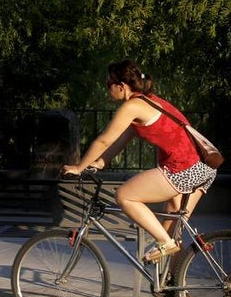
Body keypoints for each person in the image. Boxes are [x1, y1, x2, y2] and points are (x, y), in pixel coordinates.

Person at [61, 59, 217, 263]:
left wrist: (79, 167)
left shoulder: (132, 106)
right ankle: (176, 282)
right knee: (172, 230)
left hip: (184, 169)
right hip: (203, 167)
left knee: (124, 195)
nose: (107, 89)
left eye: (108, 84)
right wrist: (100, 162)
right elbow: (119, 141)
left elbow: (104, 140)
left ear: (121, 86)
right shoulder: (147, 101)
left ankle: (164, 242)